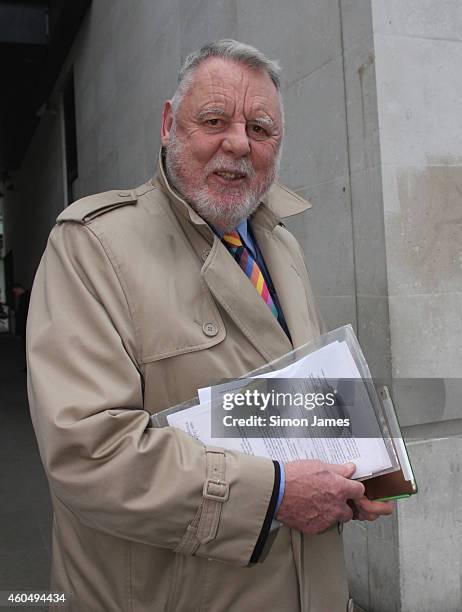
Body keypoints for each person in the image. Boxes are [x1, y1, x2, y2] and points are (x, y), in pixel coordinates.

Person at [27, 40, 393, 611]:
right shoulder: (92, 246)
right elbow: (88, 452)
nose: (239, 143)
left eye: (261, 128)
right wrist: (274, 495)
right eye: (215, 119)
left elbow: (306, 396)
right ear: (170, 124)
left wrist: (357, 473)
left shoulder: (282, 244)